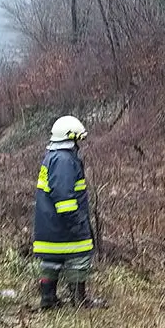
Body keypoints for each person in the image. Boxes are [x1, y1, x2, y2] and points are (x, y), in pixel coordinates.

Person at [34, 116, 103, 309]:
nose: (78, 144)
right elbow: (64, 197)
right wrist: (76, 223)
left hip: (49, 225)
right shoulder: (64, 160)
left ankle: (48, 300)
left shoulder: (52, 157)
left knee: (51, 262)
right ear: (70, 138)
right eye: (77, 140)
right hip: (64, 226)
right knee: (79, 256)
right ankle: (79, 300)